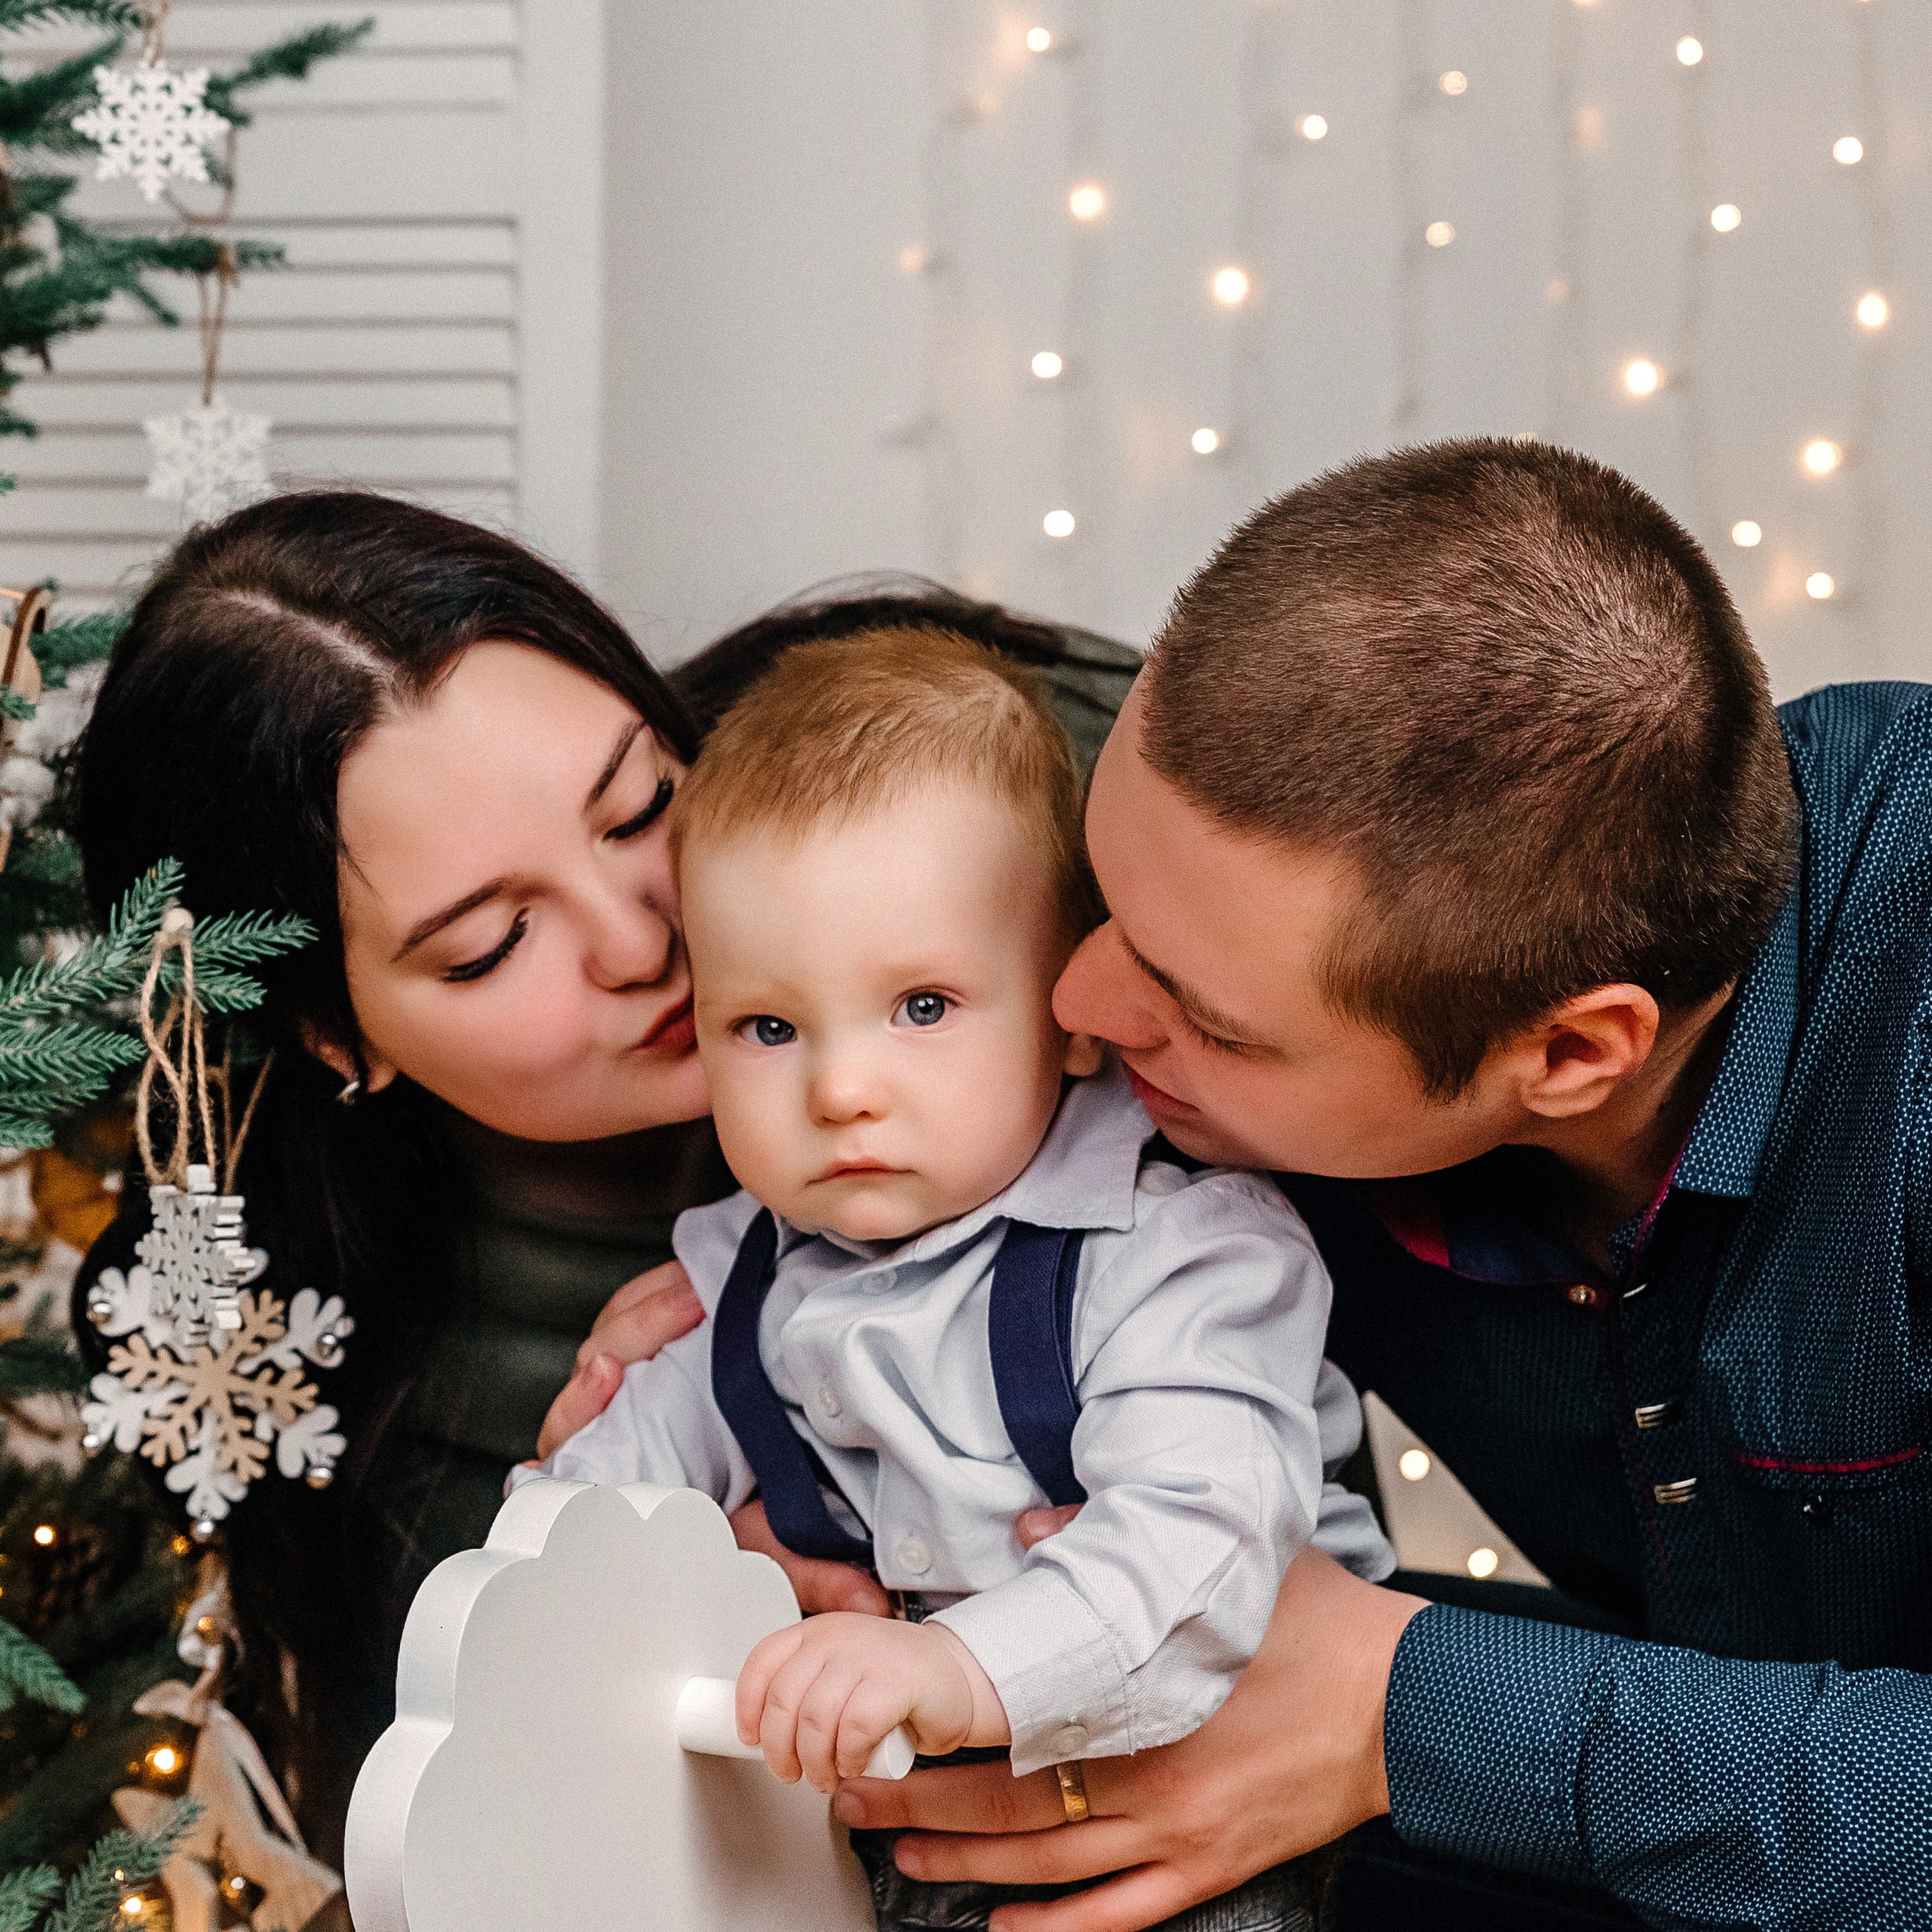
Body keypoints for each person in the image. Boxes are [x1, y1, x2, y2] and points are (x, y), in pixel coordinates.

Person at [826, 440, 1932, 1930]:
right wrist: (748, 1311)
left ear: (1565, 1050)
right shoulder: (1252, 889)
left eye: (1204, 1018)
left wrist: (1395, 1710)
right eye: (1104, 903)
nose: (1078, 1004)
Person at [69, 496, 1141, 1865]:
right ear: (335, 1034)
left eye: (640, 807)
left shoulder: (950, 783)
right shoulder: (355, 1394)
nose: (650, 933)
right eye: (492, 943)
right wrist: (686, 1603)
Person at [525, 626, 1392, 1931]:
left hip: (1217, 1799)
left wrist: (951, 1662)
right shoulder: (736, 1281)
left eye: (922, 1005)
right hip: (906, 1813)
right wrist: (549, 1568)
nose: (840, 1089)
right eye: (768, 1027)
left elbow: (1198, 1549)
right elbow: (617, 1489)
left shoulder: (1182, 1250)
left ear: (1070, 1007)